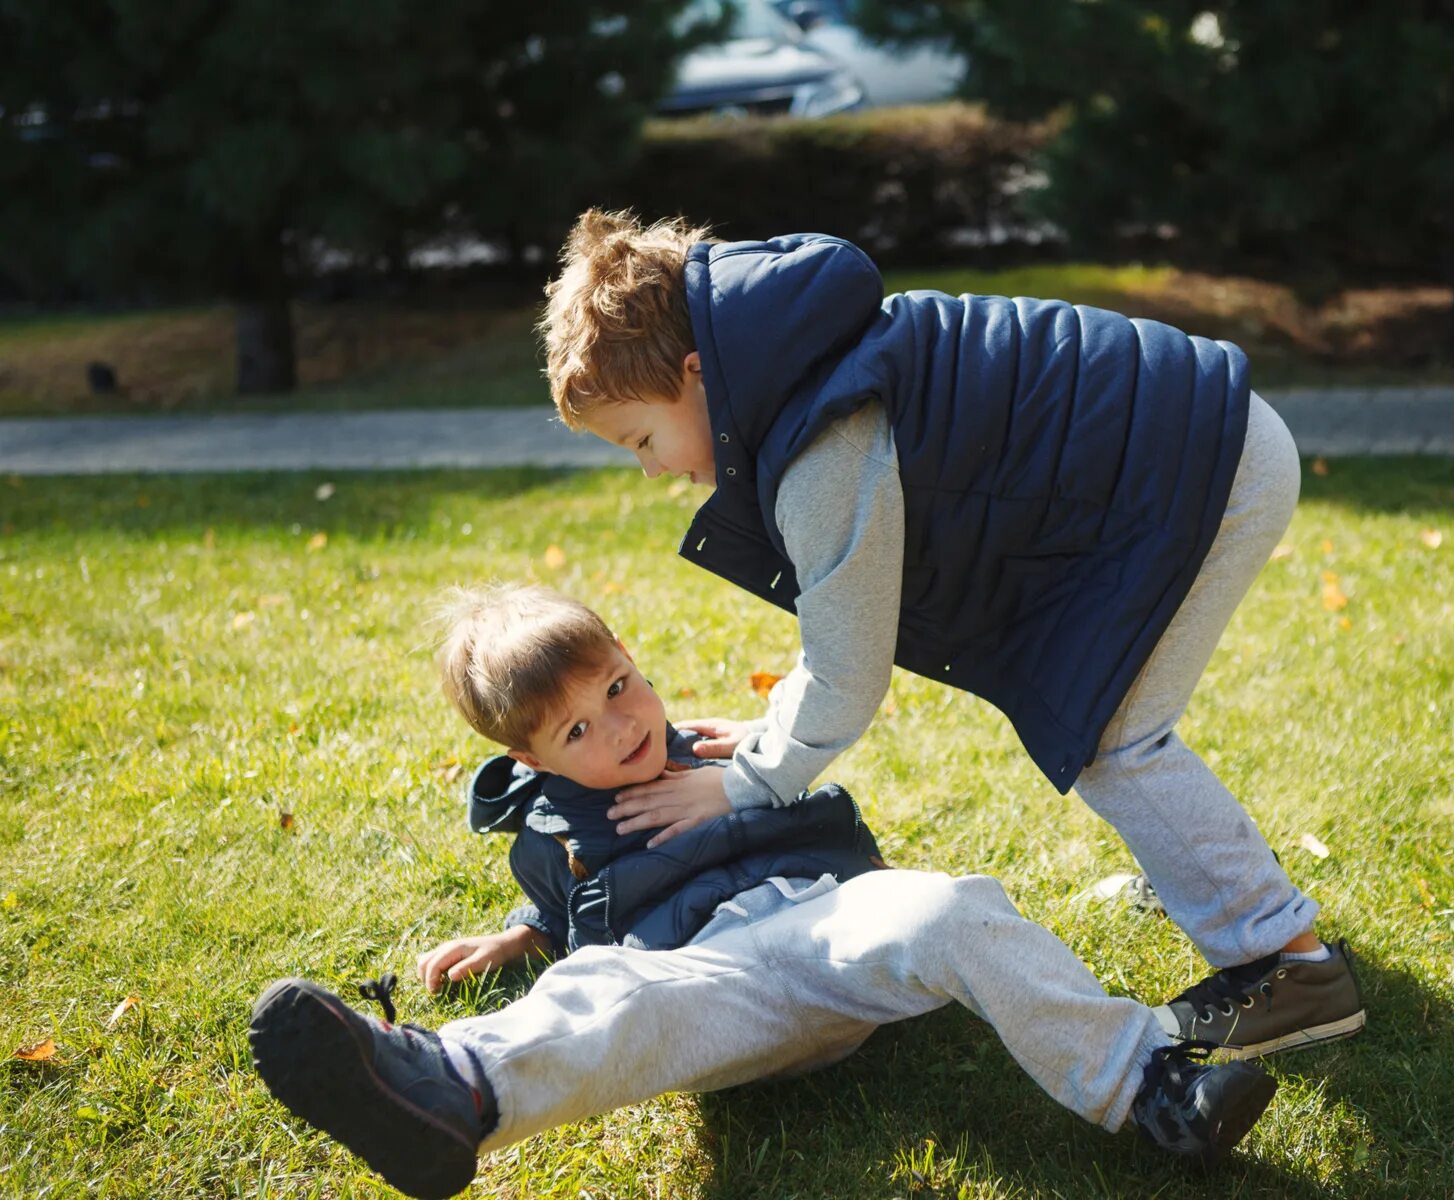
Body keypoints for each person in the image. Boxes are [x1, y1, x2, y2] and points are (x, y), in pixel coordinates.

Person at [536, 211, 1366, 1058]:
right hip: (1190, 450)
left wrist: (745, 784)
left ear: (698, 372)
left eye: (643, 438)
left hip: (1200, 472)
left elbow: (848, 671)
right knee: (1114, 711)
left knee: (1116, 737)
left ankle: (1287, 969)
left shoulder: (822, 441)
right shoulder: (804, 367)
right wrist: (770, 734)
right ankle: (1209, 883)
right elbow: (844, 611)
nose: (650, 469)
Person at [247, 586, 1278, 1200]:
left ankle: (1153, 1084)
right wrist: (520, 935)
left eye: (618, 683)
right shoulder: (553, 836)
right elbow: (563, 918)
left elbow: (835, 809)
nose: (620, 726)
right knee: (614, 990)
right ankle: (447, 1088)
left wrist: (758, 769)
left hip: (835, 930)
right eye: (577, 730)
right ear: (533, 757)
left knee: (953, 904)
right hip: (716, 985)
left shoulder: (716, 748)